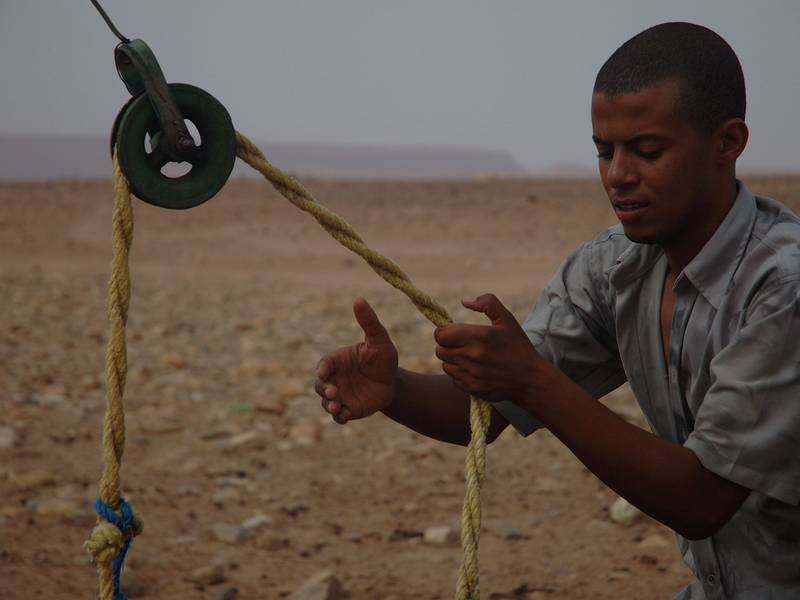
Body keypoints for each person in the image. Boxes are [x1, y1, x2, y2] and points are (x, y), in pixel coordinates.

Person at [313, 22, 800, 599]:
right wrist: (394, 388)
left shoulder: (784, 289)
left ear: (728, 143)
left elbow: (701, 500)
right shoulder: (615, 268)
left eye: (647, 150)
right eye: (604, 151)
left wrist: (531, 378)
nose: (618, 175)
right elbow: (488, 413)